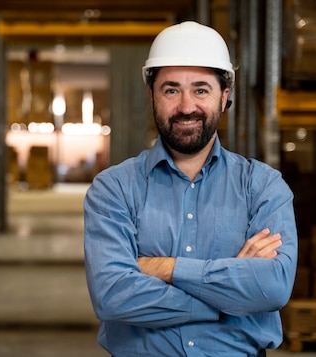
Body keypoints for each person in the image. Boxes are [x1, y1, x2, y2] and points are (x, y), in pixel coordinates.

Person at [83, 21, 298, 357]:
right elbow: (113, 296)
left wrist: (165, 268)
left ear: (224, 97)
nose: (186, 107)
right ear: (152, 95)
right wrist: (230, 297)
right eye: (171, 90)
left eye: (201, 90)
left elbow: (271, 288)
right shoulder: (114, 189)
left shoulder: (263, 186)